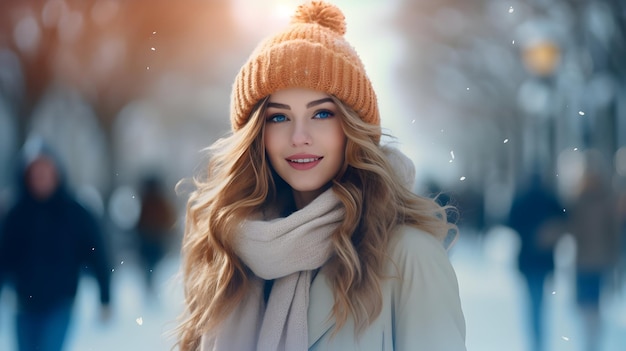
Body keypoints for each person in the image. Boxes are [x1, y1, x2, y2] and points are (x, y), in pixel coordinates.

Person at [175, 2, 466, 351]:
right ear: (257, 135)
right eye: (278, 118)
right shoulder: (228, 255)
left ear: (352, 128)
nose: (299, 136)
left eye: (322, 114)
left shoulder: (408, 259)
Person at [0, 140, 112, 351]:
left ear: (56, 173)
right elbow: (3, 258)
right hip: (23, 305)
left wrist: (105, 297)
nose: (40, 177)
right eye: (35, 171)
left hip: (60, 304)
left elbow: (97, 255)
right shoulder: (14, 213)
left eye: (46, 170)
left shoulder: (76, 212)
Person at [567, 150, 621, 351]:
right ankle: (591, 341)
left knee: (591, 305)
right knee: (586, 305)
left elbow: (613, 232)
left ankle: (592, 342)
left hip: (594, 261)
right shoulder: (581, 200)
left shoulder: (603, 200)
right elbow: (573, 227)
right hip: (587, 260)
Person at [507, 170, 566, 351]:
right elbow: (564, 218)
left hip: (527, 259)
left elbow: (510, 221)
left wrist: (528, 234)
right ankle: (538, 339)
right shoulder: (550, 199)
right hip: (545, 260)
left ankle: (535, 338)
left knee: (532, 299)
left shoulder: (522, 199)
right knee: (539, 299)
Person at [134, 173, 177, 294]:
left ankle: (150, 285)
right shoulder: (153, 201)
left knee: (150, 265)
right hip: (152, 240)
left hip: (151, 240)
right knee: (151, 265)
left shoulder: (150, 201)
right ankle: (150, 285)